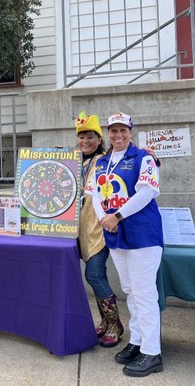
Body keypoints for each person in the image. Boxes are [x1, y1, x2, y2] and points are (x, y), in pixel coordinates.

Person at [85, 112, 164, 377]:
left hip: (142, 234)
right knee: (130, 290)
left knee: (144, 293)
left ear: (131, 132)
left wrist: (116, 216)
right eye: (113, 131)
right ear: (108, 133)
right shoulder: (103, 161)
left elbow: (147, 193)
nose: (118, 135)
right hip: (116, 234)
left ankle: (152, 353)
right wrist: (105, 220)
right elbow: (96, 195)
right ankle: (138, 341)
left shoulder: (143, 157)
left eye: (123, 130)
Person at [75, 112, 123, 348]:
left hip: (99, 227)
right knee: (96, 277)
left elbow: (129, 155)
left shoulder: (106, 158)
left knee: (93, 274)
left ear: (99, 138)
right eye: (82, 136)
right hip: (79, 228)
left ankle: (115, 324)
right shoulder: (76, 161)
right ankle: (105, 323)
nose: (85, 141)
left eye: (90, 136)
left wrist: (152, 157)